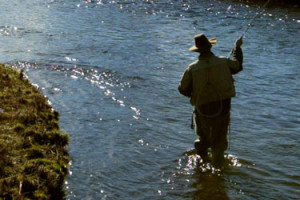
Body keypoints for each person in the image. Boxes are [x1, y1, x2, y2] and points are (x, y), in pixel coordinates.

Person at [178, 33, 243, 167]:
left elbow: (182, 89)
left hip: (202, 108)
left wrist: (194, 94)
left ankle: (202, 165)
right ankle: (218, 169)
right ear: (210, 47)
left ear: (197, 51)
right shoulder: (224, 61)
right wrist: (237, 48)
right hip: (223, 107)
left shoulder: (192, 68)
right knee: (220, 139)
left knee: (203, 138)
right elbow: (237, 66)